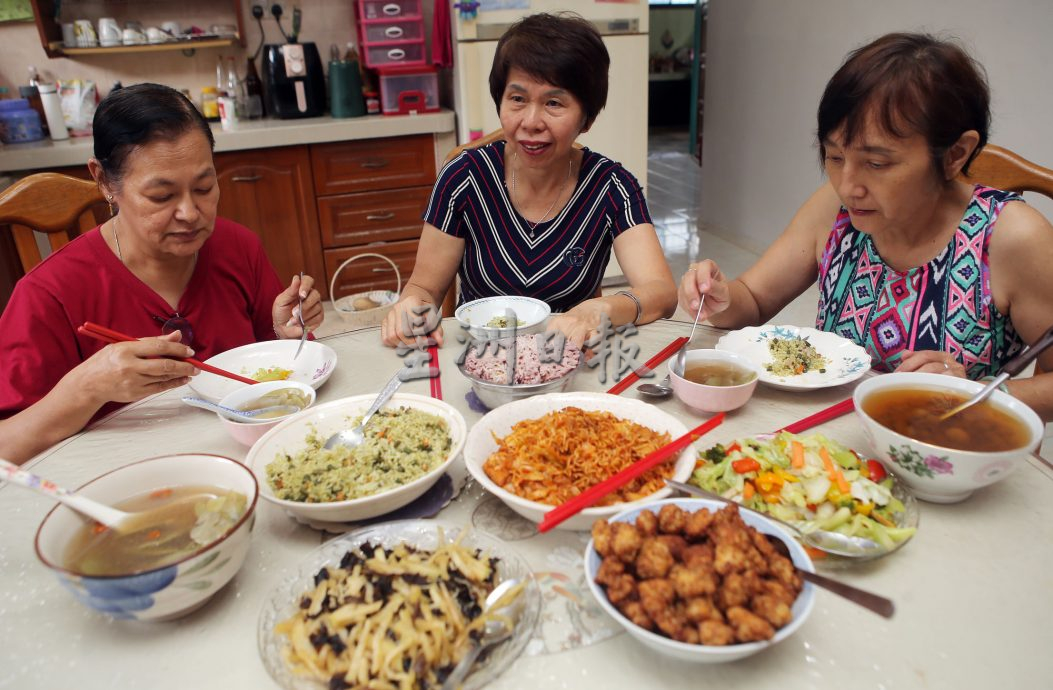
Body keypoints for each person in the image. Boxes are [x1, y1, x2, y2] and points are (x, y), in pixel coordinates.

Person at [678, 33, 1053, 420]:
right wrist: (719, 296)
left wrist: (971, 393)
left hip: (948, 452)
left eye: (877, 164)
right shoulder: (834, 209)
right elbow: (753, 300)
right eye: (836, 156)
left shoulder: (1009, 238)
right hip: (836, 441)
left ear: (955, 154)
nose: (848, 186)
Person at [0, 83, 324, 463]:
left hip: (245, 461)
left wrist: (287, 335)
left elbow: (280, 378)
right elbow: (8, 446)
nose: (190, 213)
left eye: (204, 187)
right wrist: (87, 389)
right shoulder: (48, 294)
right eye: (162, 196)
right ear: (104, 181)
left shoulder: (238, 248)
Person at [381, 13, 677, 349]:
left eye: (554, 103)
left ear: (588, 118)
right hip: (477, 360)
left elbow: (662, 292)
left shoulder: (612, 187)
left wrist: (603, 307)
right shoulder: (464, 177)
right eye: (518, 99)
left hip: (569, 364)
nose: (531, 122)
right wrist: (411, 307)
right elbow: (424, 288)